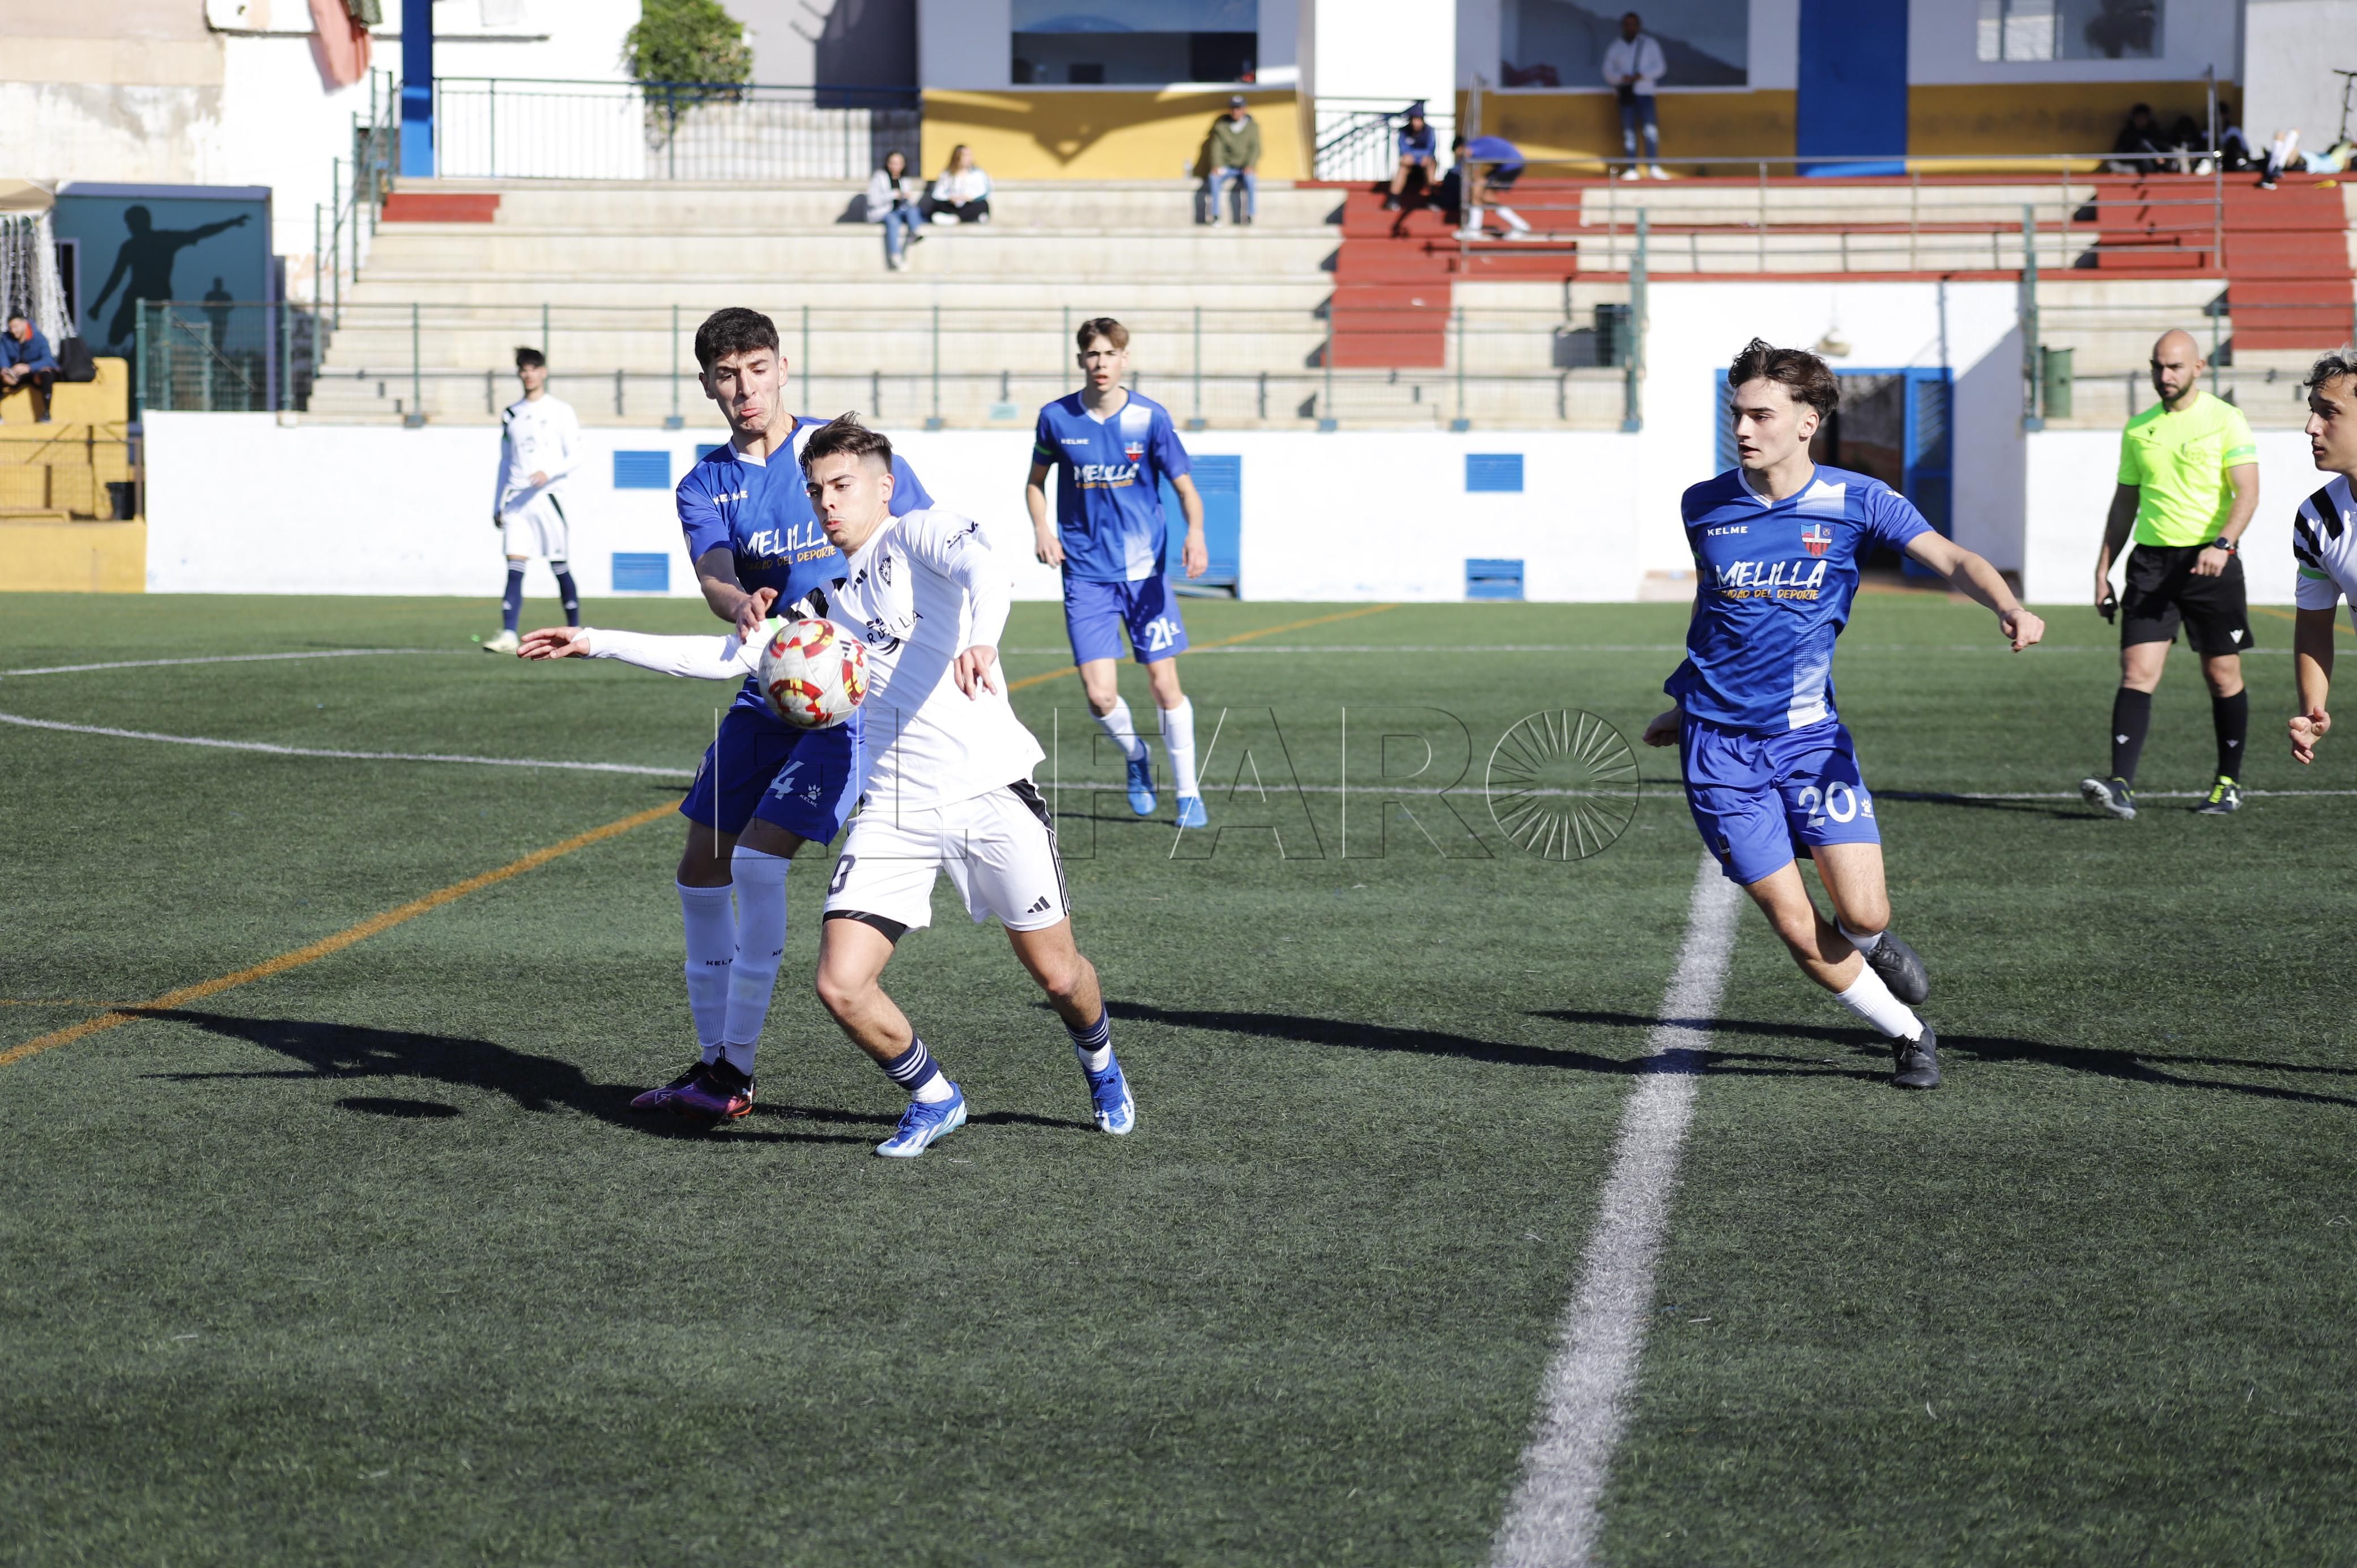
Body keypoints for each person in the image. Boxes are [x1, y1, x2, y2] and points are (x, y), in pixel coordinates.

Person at [520, 415, 1135, 1158]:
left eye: (842, 486)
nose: (827, 504)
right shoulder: (826, 611)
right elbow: (724, 656)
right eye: (816, 491)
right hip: (897, 810)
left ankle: (1100, 1063)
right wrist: (594, 641)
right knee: (841, 985)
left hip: (989, 792)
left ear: (884, 485)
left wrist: (983, 636)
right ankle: (936, 1097)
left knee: (1059, 975)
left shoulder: (921, 537)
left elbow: (988, 571)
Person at [1641, 338, 2045, 1092]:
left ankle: (1872, 940)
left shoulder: (1860, 501)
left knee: (1862, 910)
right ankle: (1909, 1034)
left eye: (1762, 414)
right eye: (1738, 414)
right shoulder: (1704, 504)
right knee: (1797, 924)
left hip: (1809, 741)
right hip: (1718, 752)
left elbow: (1953, 559)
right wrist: (1683, 696)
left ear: (1809, 420)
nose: (1745, 429)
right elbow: (1717, 614)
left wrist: (2009, 606)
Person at [599, 307, 934, 1123]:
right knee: (699, 865)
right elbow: (714, 572)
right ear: (708, 383)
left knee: (757, 862)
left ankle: (734, 1070)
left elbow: (921, 540)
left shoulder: (840, 453)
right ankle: (715, 1062)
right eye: (725, 375)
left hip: (852, 698)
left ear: (783, 367)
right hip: (769, 685)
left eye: (756, 369)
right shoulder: (705, 482)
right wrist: (736, 602)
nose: (743, 389)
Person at [1026, 317, 1211, 828]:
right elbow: (1035, 483)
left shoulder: (1150, 419)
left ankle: (1189, 793)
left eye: (1110, 354)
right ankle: (1136, 758)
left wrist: (1195, 533)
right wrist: (1042, 528)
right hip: (1085, 575)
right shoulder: (1057, 419)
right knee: (1100, 695)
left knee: (1163, 683)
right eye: (1092, 355)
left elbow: (1186, 488)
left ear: (1124, 359)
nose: (1101, 363)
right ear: (1081, 360)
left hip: (1145, 574)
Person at [2081, 329, 2260, 819]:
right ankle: (2120, 786)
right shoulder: (2139, 428)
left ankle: (2229, 783)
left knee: (2222, 675)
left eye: (2175, 367)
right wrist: (2103, 571)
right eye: (2158, 366)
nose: (2165, 376)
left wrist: (2223, 544)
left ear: (2199, 367)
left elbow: (2247, 492)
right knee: (2136, 672)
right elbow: (2125, 504)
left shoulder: (2226, 419)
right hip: (2152, 565)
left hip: (2211, 563)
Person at [483, 347, 582, 655]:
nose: (528, 374)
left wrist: (548, 473)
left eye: (533, 368)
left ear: (544, 372)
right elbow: (504, 461)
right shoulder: (511, 414)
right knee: (514, 564)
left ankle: (576, 630)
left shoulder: (560, 411)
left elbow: (576, 455)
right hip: (516, 502)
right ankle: (509, 632)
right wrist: (498, 502)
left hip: (547, 499)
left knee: (559, 565)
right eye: (523, 369)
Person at [2286, 350, 2356, 768]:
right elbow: (2314, 624)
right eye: (2312, 412)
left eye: (2329, 413)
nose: (2311, 427)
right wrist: (2313, 710)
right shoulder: (2316, 520)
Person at [1603, 12, 1667, 181]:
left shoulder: (1649, 44)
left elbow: (1660, 67)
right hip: (1626, 95)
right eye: (1627, 24)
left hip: (1645, 93)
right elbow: (1608, 72)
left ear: (1639, 26)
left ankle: (1653, 167)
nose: (1630, 27)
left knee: (1650, 131)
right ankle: (1632, 168)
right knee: (1629, 133)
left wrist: (1642, 75)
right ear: (1623, 26)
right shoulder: (1616, 47)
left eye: (1633, 24)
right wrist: (1622, 78)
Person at [1450, 133, 1532, 237]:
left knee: (1483, 195)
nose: (1461, 158)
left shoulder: (1472, 149)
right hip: (1509, 165)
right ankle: (1475, 229)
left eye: (1460, 155)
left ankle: (1520, 226)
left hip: (1510, 166)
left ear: (1461, 148)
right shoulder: (1478, 144)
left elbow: (1474, 171)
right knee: (1481, 195)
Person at [867, 149, 925, 271]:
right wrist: (893, 195)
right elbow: (873, 201)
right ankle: (895, 256)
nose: (896, 166)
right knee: (893, 220)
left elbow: (909, 204)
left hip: (900, 211)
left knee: (913, 210)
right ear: (887, 164)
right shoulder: (879, 178)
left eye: (899, 163)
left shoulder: (905, 180)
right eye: (893, 163)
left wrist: (907, 197)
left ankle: (914, 231)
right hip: (883, 213)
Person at [1207, 94, 1261, 225]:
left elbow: (1256, 148)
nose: (1235, 111)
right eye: (1233, 108)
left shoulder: (1252, 127)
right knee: (1213, 178)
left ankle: (1250, 215)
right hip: (1227, 166)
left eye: (1238, 108)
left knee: (1251, 179)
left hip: (1244, 167)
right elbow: (1216, 148)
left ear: (1244, 109)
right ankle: (1215, 215)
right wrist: (1216, 165)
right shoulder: (1221, 127)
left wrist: (1250, 165)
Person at [1, 314, 59, 423]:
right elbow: (3, 357)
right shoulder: (6, 339)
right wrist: (6, 370)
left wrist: (29, 367)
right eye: (11, 327)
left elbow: (48, 360)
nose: (13, 330)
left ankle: (46, 413)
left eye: (16, 327)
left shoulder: (39, 338)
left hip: (35, 374)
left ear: (25, 324)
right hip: (15, 375)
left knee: (47, 373)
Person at [1385, 103, 1440, 211]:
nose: (1416, 123)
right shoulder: (1404, 131)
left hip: (1425, 166)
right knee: (1404, 165)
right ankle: (1393, 199)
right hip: (1410, 168)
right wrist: (1416, 157)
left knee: (1430, 163)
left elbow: (1430, 149)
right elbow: (1404, 150)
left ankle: (1433, 198)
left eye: (1419, 119)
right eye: (1414, 119)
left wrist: (1417, 157)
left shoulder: (1429, 131)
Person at [921, 145, 992, 225]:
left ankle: (957, 218)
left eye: (969, 155)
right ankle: (964, 218)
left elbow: (984, 192)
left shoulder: (978, 174)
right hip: (953, 205)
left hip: (969, 204)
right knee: (938, 205)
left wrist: (969, 198)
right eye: (965, 156)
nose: (968, 158)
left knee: (983, 205)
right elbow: (937, 193)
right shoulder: (947, 175)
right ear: (957, 157)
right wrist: (950, 198)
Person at [2104, 103, 2167, 173]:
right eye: (2138, 118)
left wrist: (2156, 154)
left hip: (2152, 166)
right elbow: (2119, 153)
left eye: (2143, 118)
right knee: (2113, 165)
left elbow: (2163, 149)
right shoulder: (2128, 133)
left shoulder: (2154, 131)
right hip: (2132, 166)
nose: (2141, 120)